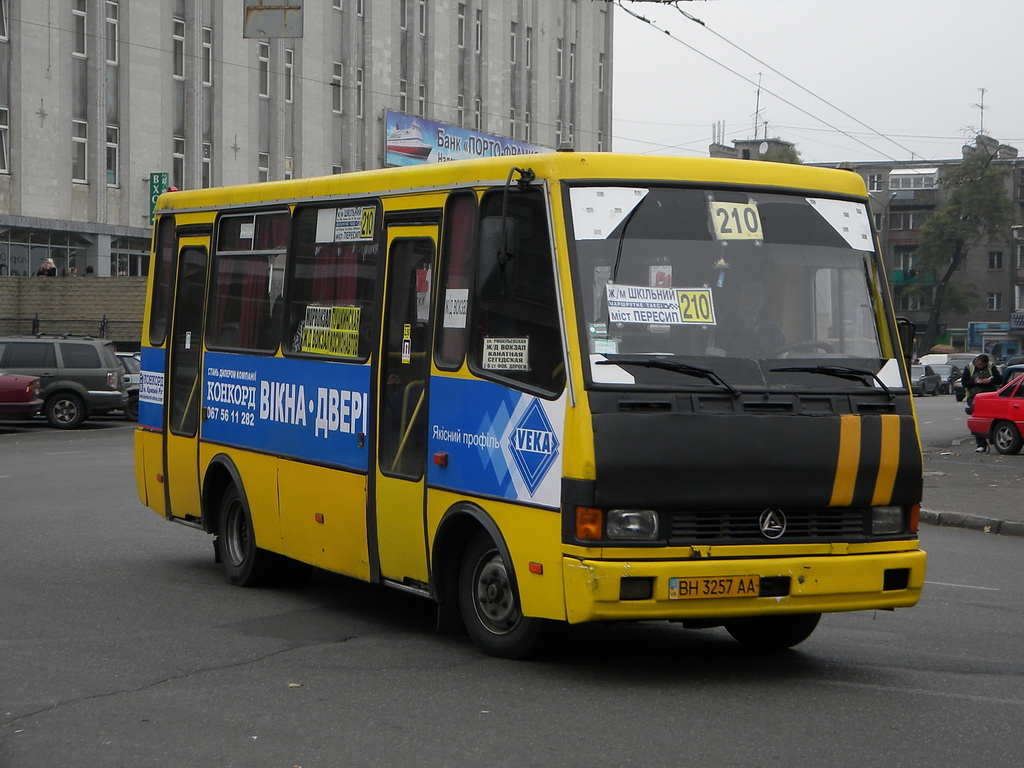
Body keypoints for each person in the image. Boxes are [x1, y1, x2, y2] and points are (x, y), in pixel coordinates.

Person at [714, 279, 785, 357]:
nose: (754, 298)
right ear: (737, 297)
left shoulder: (774, 332)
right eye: (749, 293)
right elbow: (717, 363)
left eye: (759, 293)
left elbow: (781, 363)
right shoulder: (722, 330)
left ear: (764, 298)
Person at [962, 353, 1003, 452]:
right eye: (978, 364)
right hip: (974, 396)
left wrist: (990, 381)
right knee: (977, 418)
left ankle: (993, 439)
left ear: (986, 364)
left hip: (989, 396)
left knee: (990, 418)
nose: (979, 366)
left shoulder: (991, 367)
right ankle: (981, 444)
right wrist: (974, 381)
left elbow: (999, 380)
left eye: (981, 365)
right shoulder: (969, 367)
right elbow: (964, 382)